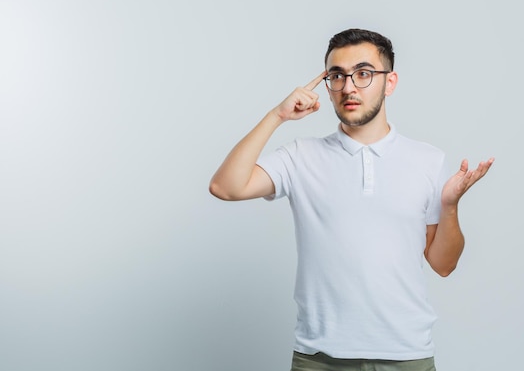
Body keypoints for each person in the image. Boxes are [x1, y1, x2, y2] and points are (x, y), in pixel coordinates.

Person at [209, 28, 494, 371]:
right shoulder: (301, 156)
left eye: (363, 74)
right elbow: (226, 187)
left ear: (389, 82)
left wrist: (450, 207)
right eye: (336, 76)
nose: (348, 87)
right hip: (319, 359)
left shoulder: (428, 160)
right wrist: (277, 116)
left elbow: (443, 265)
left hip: (406, 355)